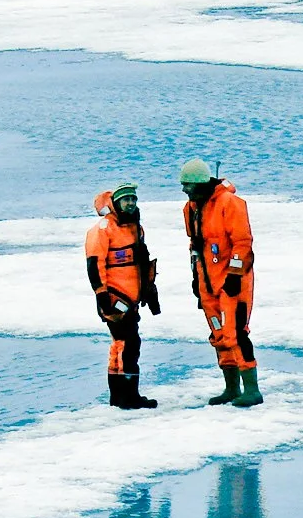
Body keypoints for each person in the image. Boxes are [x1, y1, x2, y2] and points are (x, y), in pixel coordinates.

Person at [180, 157, 263, 407]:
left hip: (232, 282)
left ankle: (252, 390)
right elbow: (195, 245)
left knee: (236, 334)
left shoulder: (230, 204)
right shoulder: (191, 209)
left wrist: (235, 276)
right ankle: (231, 388)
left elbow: (242, 243)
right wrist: (196, 277)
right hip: (208, 284)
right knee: (218, 335)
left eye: (187, 185)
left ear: (200, 183)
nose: (184, 190)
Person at [85, 181, 161, 409]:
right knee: (128, 344)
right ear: (116, 203)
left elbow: (142, 261)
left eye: (133, 199)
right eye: (126, 199)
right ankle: (128, 397)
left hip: (133, 298)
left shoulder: (136, 228)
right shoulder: (102, 230)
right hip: (114, 297)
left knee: (122, 344)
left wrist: (149, 290)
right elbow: (94, 265)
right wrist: (102, 295)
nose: (130, 203)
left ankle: (120, 396)